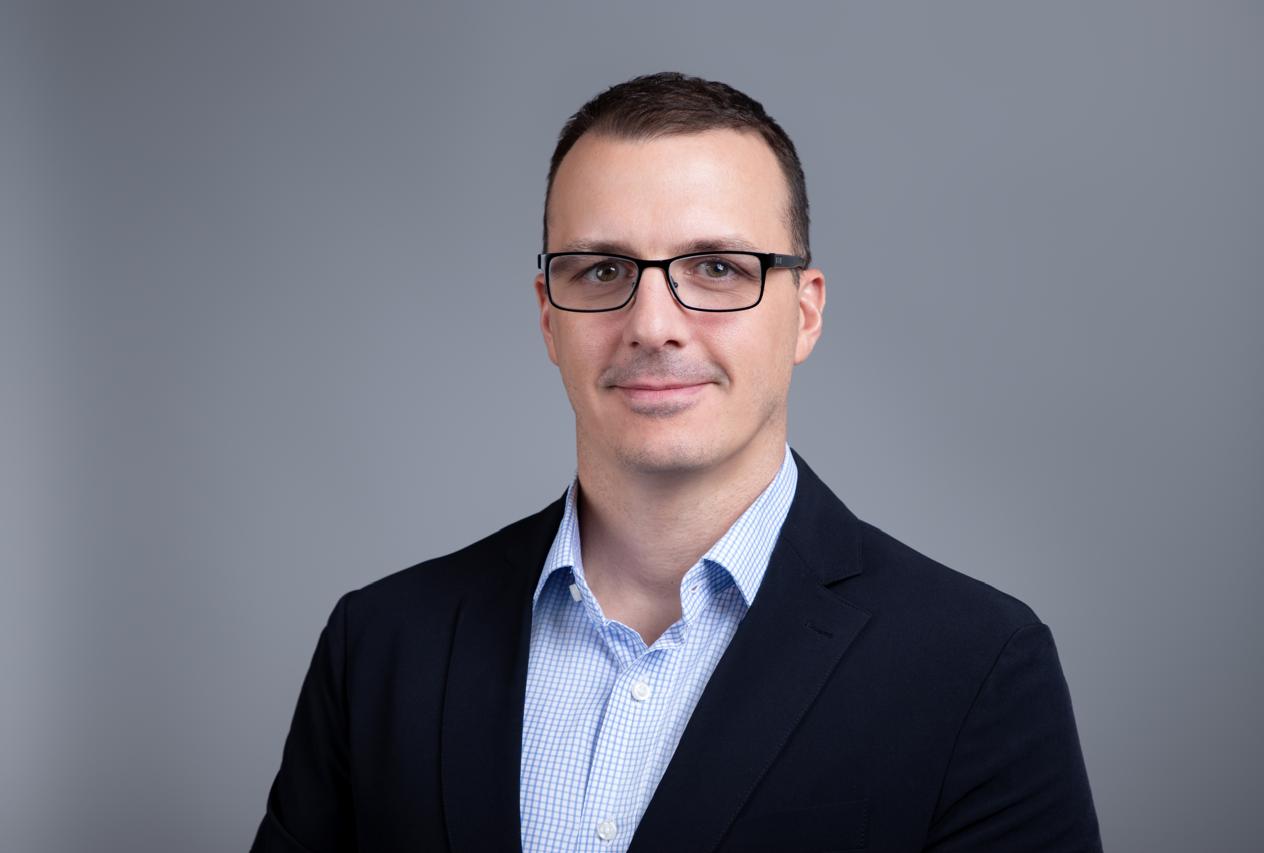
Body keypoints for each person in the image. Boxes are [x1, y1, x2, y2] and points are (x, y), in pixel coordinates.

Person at [250, 72, 1102, 853]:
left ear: (804, 314)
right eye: (602, 270)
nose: (653, 324)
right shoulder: (382, 646)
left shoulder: (976, 667)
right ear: (548, 317)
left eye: (718, 267)